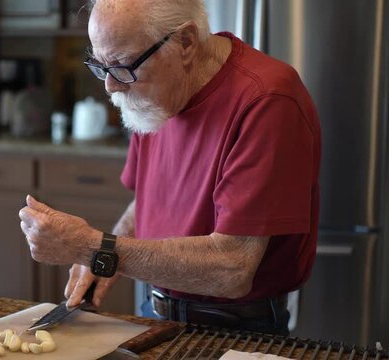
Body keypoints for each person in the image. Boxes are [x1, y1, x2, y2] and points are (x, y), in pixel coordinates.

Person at [19, 0, 320, 335]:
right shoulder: (154, 92)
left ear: (186, 43)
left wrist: (96, 247)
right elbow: (147, 202)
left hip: (237, 326)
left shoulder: (267, 99)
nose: (110, 86)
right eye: (101, 66)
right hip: (154, 307)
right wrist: (100, 259)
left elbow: (233, 268)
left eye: (122, 65)